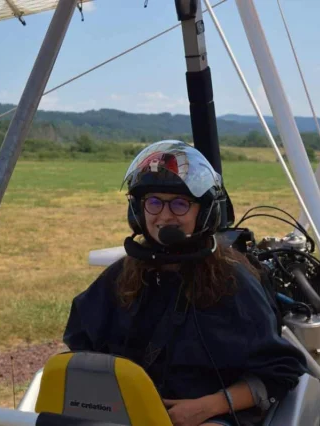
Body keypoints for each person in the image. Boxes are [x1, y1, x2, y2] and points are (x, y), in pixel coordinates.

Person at [63, 140, 307, 426]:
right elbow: (80, 350)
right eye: (153, 202)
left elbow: (280, 371)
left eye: (180, 204)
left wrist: (207, 408)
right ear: (138, 211)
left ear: (203, 213)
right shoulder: (121, 275)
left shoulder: (231, 280)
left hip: (210, 416)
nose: (165, 215)